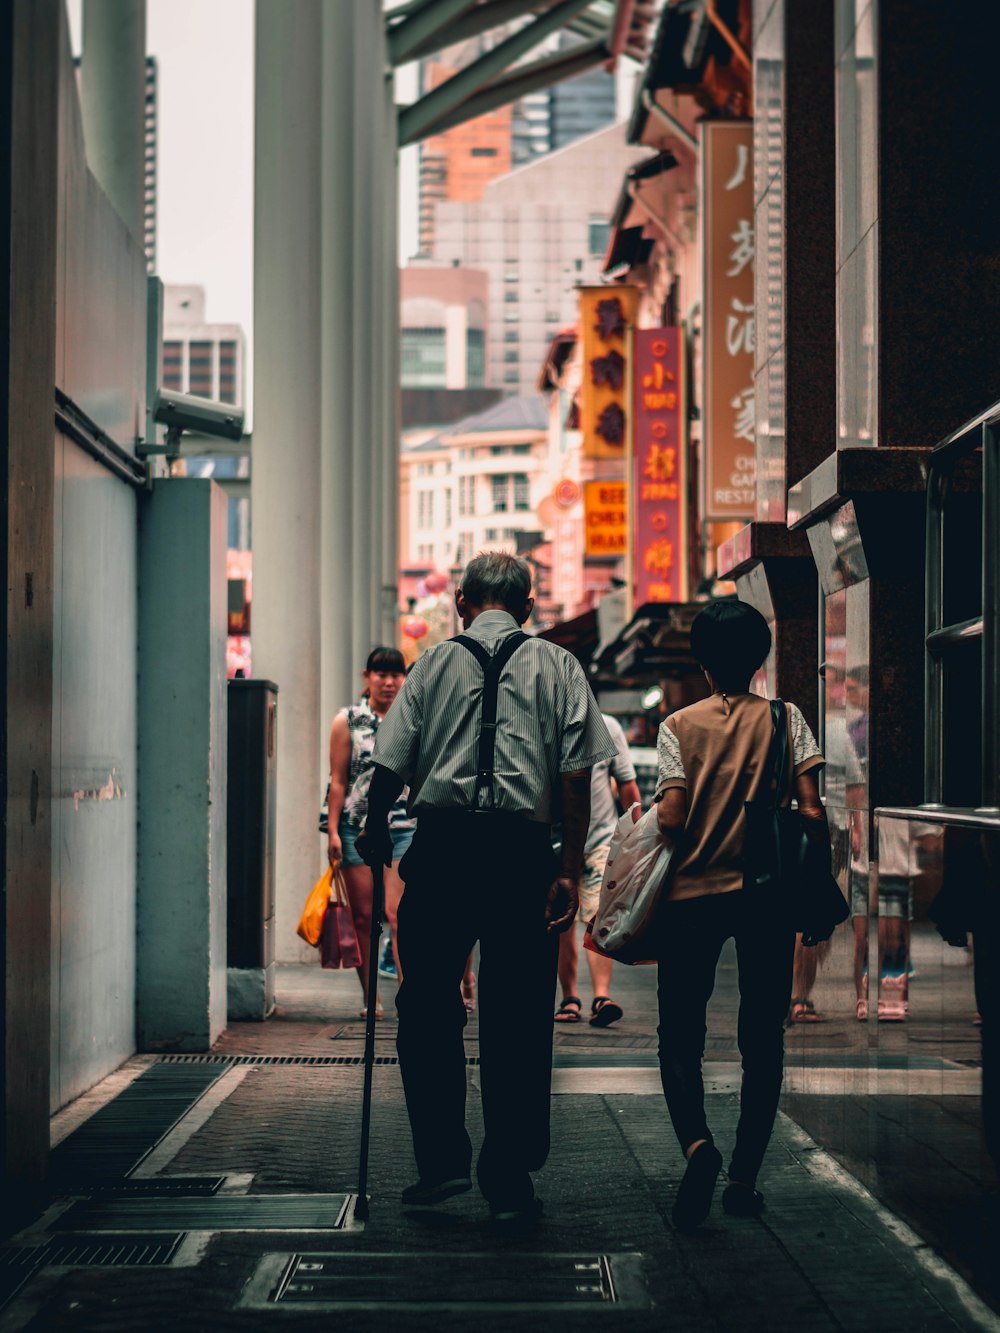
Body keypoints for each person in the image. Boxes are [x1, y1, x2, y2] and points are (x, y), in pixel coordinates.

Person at [358, 552, 616, 1228]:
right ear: (526, 608)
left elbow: (389, 763)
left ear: (462, 602)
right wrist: (566, 867)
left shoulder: (432, 664)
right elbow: (575, 771)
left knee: (426, 1005)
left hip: (441, 851)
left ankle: (441, 1162)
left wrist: (374, 833)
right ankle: (508, 1175)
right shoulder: (560, 666)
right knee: (519, 1015)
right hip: (520, 856)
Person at [653, 601, 827, 1230]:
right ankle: (744, 1180)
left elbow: (670, 818)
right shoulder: (787, 719)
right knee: (762, 1039)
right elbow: (810, 809)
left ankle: (698, 1147)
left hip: (692, 897)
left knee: (680, 1034)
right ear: (761, 660)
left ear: (701, 661)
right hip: (768, 898)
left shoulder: (677, 725)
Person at [325, 646, 413, 1018]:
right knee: (364, 916)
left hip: (405, 826)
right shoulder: (347, 721)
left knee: (400, 914)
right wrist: (331, 830)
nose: (389, 682)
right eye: (382, 674)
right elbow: (339, 780)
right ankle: (370, 998)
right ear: (367, 677)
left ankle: (411, 997)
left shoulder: (413, 718)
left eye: (396, 675)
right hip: (354, 826)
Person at [555, 710, 641, 1028]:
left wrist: (635, 838)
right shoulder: (543, 720)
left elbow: (627, 785)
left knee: (596, 916)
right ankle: (570, 996)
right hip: (556, 840)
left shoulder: (608, 727)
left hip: (600, 840)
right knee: (561, 921)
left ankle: (601, 996)